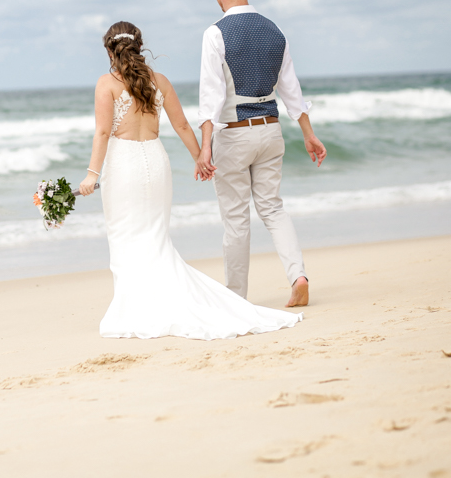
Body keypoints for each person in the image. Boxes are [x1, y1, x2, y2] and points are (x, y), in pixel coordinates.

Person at [77, 21, 302, 340]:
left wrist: (91, 174)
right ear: (138, 46)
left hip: (123, 166)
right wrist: (200, 156)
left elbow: (102, 132)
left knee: (125, 234)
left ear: (109, 50)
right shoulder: (161, 81)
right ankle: (154, 302)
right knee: (155, 235)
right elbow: (182, 125)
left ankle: (136, 307)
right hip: (156, 162)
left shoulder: (106, 83)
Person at [197, 0, 327, 308]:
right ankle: (298, 275)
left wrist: (204, 148)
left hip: (234, 136)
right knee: (273, 209)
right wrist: (309, 134)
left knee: (237, 221)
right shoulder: (275, 31)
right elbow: (291, 90)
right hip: (271, 132)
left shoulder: (216, 33)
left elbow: (211, 98)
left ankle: (237, 298)